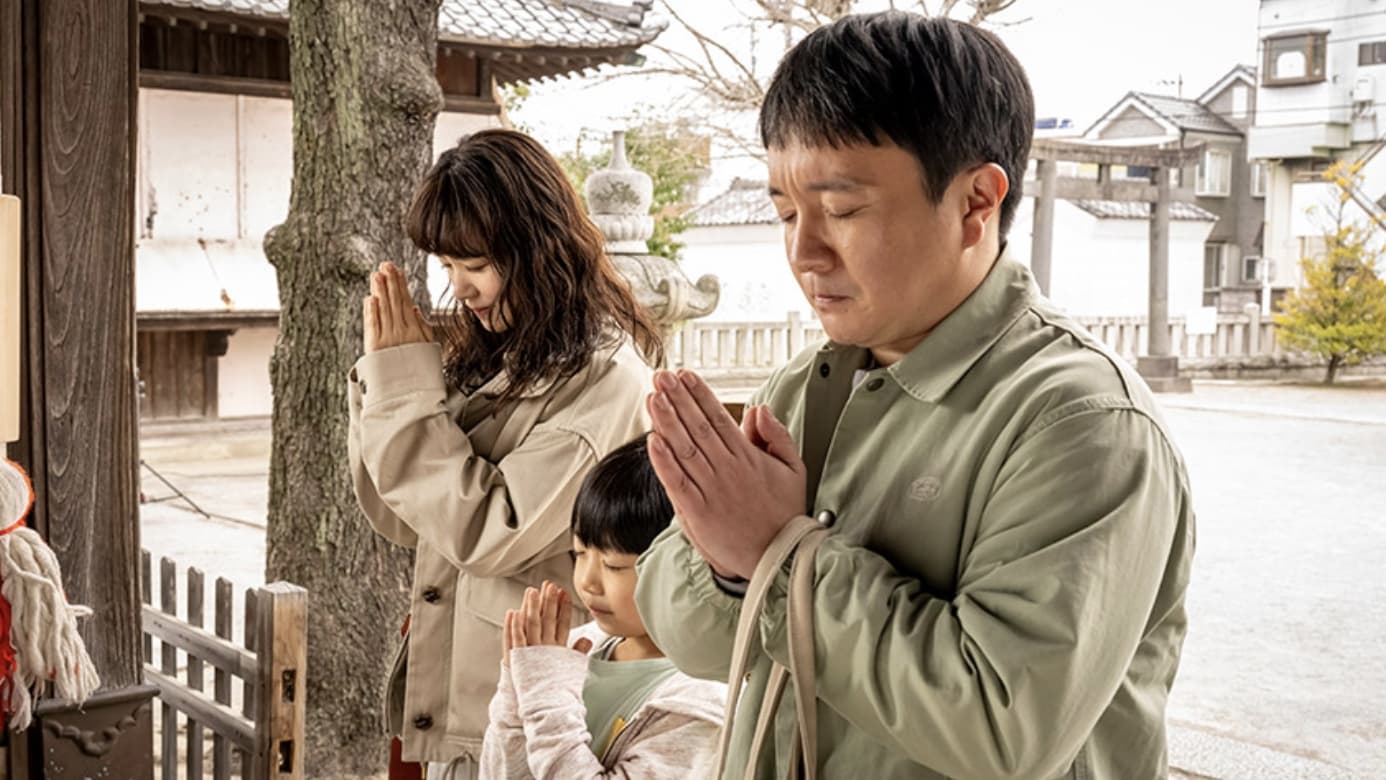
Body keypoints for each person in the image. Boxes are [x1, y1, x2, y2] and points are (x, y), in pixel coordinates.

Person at [633, 12, 1196, 780]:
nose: (804, 252)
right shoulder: (801, 387)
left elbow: (1001, 728)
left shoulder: (1081, 424)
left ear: (975, 203)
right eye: (786, 212)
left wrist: (774, 554)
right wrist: (731, 566)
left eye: (842, 210)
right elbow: (691, 642)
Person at [349, 128, 663, 780]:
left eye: (475, 264)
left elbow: (487, 532)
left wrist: (405, 395)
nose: (460, 289)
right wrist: (390, 384)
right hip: (464, 699)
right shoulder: (503, 354)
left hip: (534, 713)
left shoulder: (604, 381)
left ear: (536, 247)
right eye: (447, 268)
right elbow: (406, 519)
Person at [481, 437, 724, 778]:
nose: (587, 582)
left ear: (691, 562)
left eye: (613, 565)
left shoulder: (698, 703)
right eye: (580, 553)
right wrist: (517, 689)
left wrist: (546, 697)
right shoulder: (577, 648)